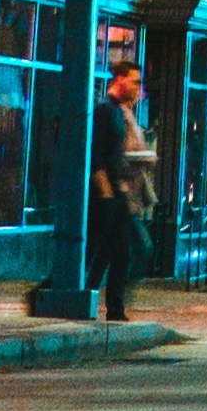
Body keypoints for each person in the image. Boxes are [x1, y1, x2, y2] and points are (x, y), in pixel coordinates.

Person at [88, 53, 158, 322]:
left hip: (118, 193)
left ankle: (100, 301)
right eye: (135, 81)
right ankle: (107, 304)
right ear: (120, 80)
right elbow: (99, 157)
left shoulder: (119, 112)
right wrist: (106, 193)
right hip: (112, 193)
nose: (138, 87)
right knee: (130, 248)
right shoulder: (107, 111)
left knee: (108, 251)